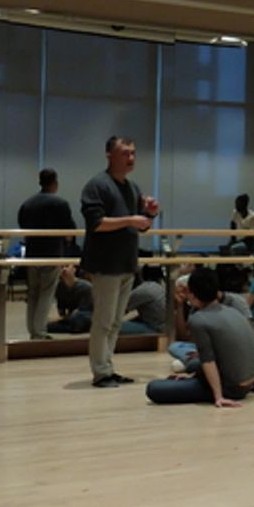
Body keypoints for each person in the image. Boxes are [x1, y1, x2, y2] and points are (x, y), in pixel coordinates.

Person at [79, 135, 160, 387]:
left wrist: (149, 213)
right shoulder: (97, 185)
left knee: (115, 322)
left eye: (133, 153)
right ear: (109, 155)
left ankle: (108, 368)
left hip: (126, 264)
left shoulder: (132, 188)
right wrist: (131, 220)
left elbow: (141, 226)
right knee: (103, 321)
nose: (131, 158)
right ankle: (100, 372)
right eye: (125, 153)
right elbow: (96, 223)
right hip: (105, 265)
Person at [146, 268, 254, 406]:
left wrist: (218, 397)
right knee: (193, 364)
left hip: (233, 388)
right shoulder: (233, 310)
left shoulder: (199, 319)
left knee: (154, 388)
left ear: (191, 295)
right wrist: (193, 376)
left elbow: (208, 360)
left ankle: (210, 385)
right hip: (249, 378)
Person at [17, 168, 77, 340]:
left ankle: (32, 330)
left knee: (33, 293)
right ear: (55, 183)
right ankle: (40, 331)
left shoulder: (27, 204)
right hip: (51, 253)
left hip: (32, 254)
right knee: (47, 294)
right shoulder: (60, 204)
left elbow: (22, 226)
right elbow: (70, 230)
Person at [47, 265, 94, 334]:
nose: (64, 269)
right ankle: (72, 328)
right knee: (47, 326)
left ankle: (70, 328)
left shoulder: (86, 287)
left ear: (74, 269)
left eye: (67, 266)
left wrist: (60, 319)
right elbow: (61, 312)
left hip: (85, 315)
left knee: (77, 318)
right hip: (70, 317)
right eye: (62, 267)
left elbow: (82, 310)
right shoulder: (59, 287)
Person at [120, 268, 167, 335]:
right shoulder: (153, 285)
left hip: (157, 329)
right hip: (164, 326)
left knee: (115, 327)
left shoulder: (139, 292)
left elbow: (119, 310)